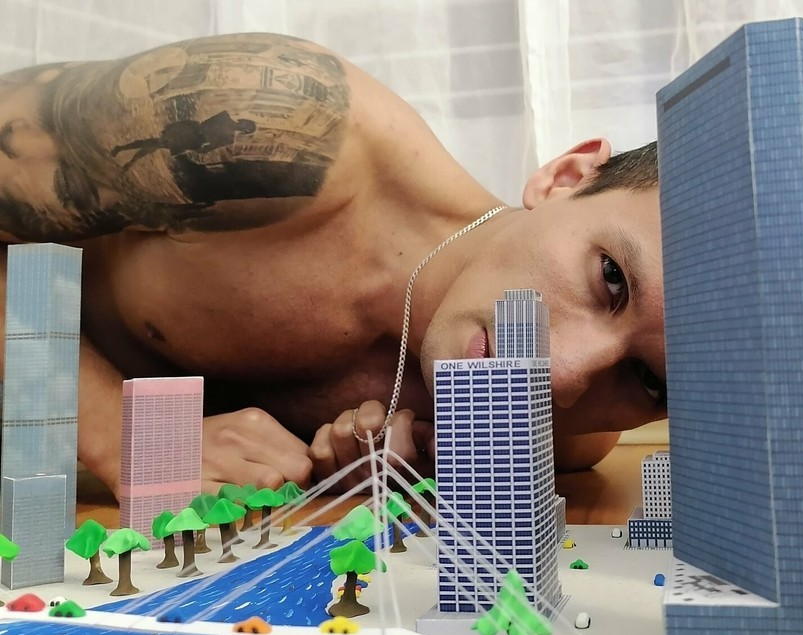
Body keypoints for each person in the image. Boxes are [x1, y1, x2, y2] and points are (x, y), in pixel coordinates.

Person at [0, 32, 666, 498]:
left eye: (648, 380)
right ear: (566, 177)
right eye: (611, 278)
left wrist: (394, 467)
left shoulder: (573, 436)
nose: (560, 376)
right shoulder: (280, 124)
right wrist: (118, 430)